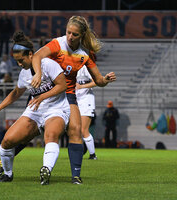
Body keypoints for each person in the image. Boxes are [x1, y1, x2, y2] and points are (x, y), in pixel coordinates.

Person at [31, 15, 116, 184]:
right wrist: (39, 73)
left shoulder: (84, 54)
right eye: (68, 32)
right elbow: (36, 56)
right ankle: (5, 165)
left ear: (82, 35)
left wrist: (105, 80)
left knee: (76, 130)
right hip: (47, 92)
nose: (70, 36)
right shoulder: (57, 44)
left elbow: (98, 80)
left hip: (68, 94)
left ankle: (75, 176)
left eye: (75, 34)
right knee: (26, 134)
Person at [0, 31, 70, 185]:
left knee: (51, 135)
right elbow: (15, 93)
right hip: (36, 110)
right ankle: (7, 174)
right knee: (7, 141)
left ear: (31, 54)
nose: (20, 64)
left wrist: (42, 97)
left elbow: (63, 85)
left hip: (57, 108)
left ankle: (46, 170)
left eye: (21, 60)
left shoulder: (48, 64)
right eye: (17, 61)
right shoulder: (24, 73)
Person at [76, 65, 97, 160]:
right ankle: (81, 150)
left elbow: (96, 81)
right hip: (76, 100)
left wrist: (81, 86)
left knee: (84, 130)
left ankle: (93, 155)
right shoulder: (69, 66)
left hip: (86, 100)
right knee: (75, 129)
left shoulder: (85, 67)